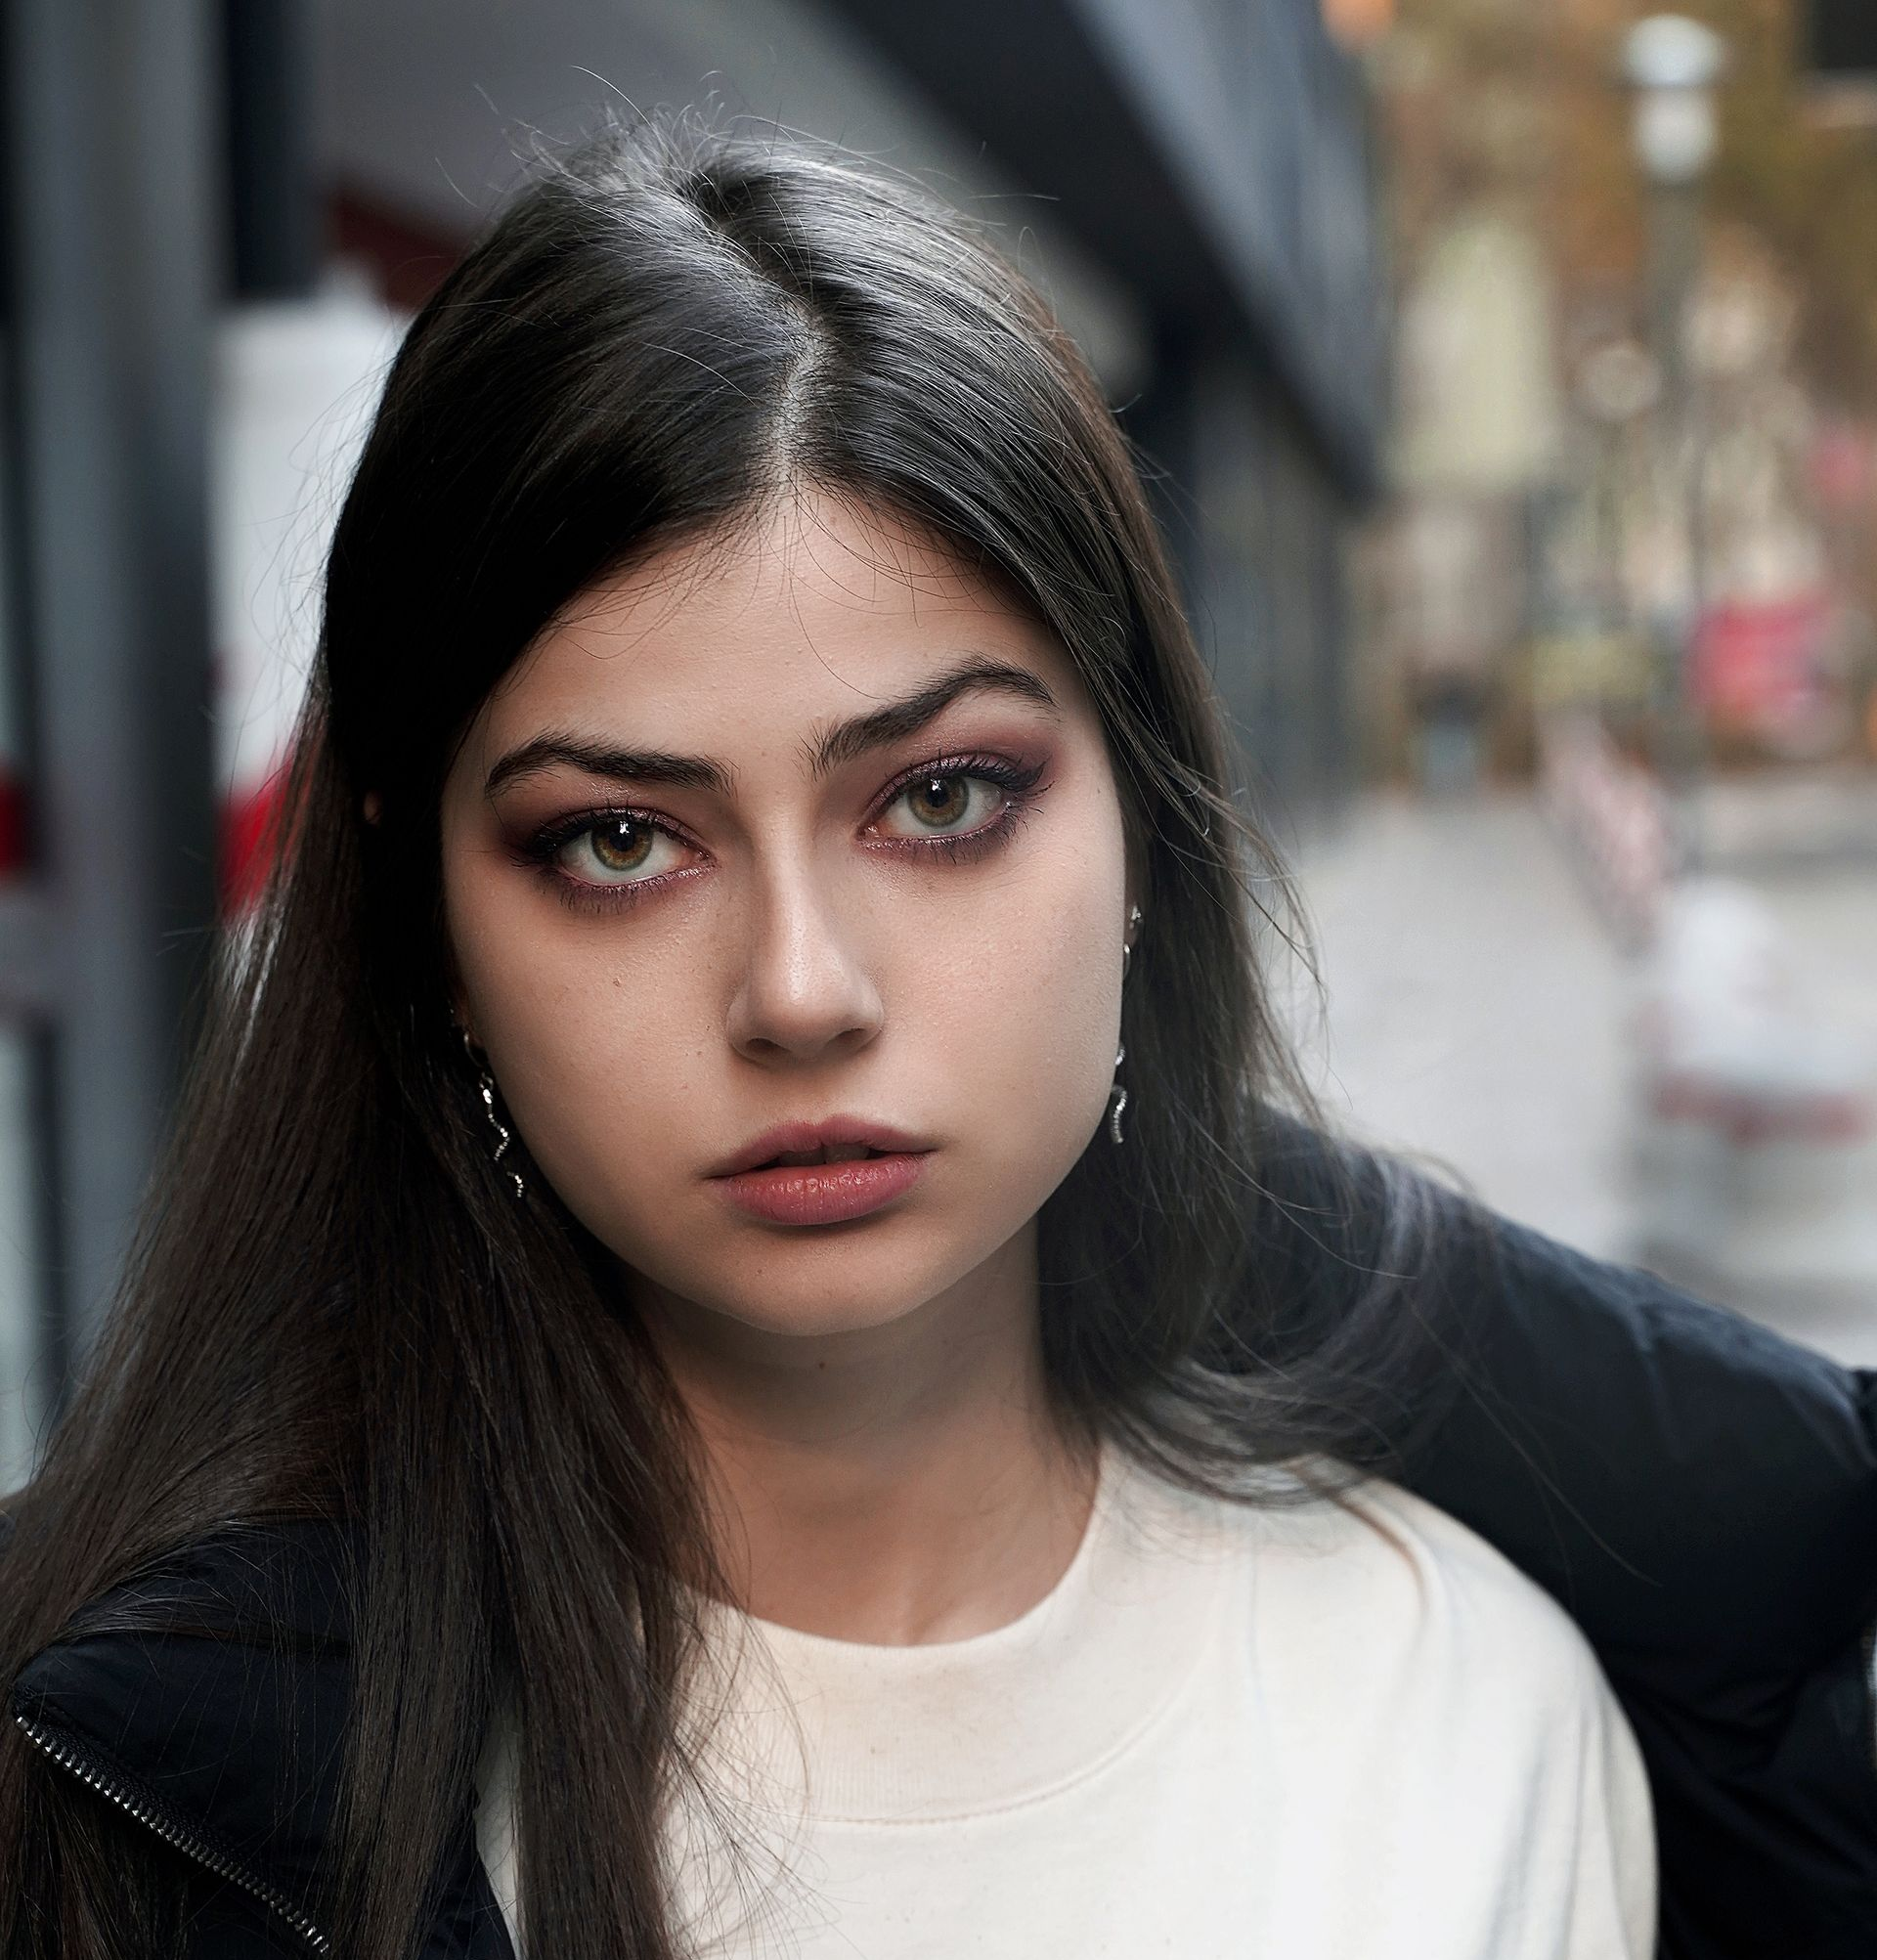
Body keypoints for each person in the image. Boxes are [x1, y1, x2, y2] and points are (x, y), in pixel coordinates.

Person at [0, 115, 1854, 1960]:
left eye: (942, 798)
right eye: (621, 841)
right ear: (435, 932)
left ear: (1143, 830)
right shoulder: (107, 1798)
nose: (803, 991)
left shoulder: (1467, 1718)